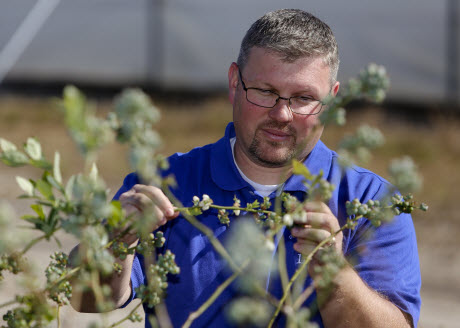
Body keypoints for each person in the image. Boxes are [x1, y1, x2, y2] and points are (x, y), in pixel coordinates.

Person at [71, 9, 421, 328]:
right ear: (234, 83)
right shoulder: (164, 184)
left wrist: (333, 271)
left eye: (302, 99)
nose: (282, 115)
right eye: (265, 92)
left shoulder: (371, 202)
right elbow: (83, 298)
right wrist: (116, 242)